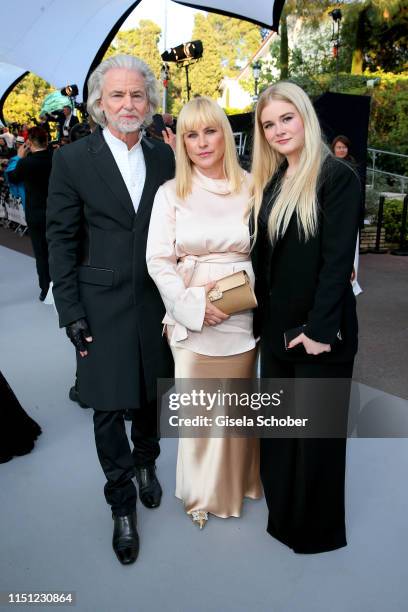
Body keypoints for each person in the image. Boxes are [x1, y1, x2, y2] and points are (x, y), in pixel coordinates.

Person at [46, 54, 175, 565]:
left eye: (137, 95)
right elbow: (60, 238)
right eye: (117, 95)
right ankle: (121, 503)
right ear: (99, 103)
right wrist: (69, 311)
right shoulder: (73, 160)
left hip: (157, 303)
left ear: (149, 104)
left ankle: (148, 463)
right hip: (98, 305)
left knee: (150, 395)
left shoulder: (166, 159)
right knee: (106, 407)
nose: (128, 104)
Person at [250, 82, 361, 554]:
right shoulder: (274, 181)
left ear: (305, 118)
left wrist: (319, 332)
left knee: (315, 442)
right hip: (277, 332)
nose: (278, 130)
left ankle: (314, 534)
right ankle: (283, 519)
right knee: (279, 436)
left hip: (319, 334)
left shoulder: (338, 178)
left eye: (286, 118)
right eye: (268, 124)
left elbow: (337, 263)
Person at [146, 96, 262, 529]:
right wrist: (195, 306)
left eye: (209, 131)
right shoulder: (169, 193)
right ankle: (199, 492)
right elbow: (157, 260)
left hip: (242, 311)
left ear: (224, 134)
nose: (201, 142)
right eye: (191, 135)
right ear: (181, 143)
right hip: (192, 316)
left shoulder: (252, 185)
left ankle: (236, 484)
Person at [7, 127, 53, 300]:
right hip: (57, 213)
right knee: (61, 251)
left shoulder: (25, 163)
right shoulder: (57, 158)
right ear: (46, 141)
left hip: (36, 215)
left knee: (41, 253)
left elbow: (12, 177)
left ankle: (46, 289)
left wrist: (18, 156)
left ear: (29, 143)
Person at [331, 135, 362, 296]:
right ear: (333, 149)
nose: (341, 150)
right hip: (333, 216)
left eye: (344, 147)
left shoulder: (352, 167)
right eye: (338, 147)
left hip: (348, 217)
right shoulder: (328, 167)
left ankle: (351, 282)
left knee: (351, 248)